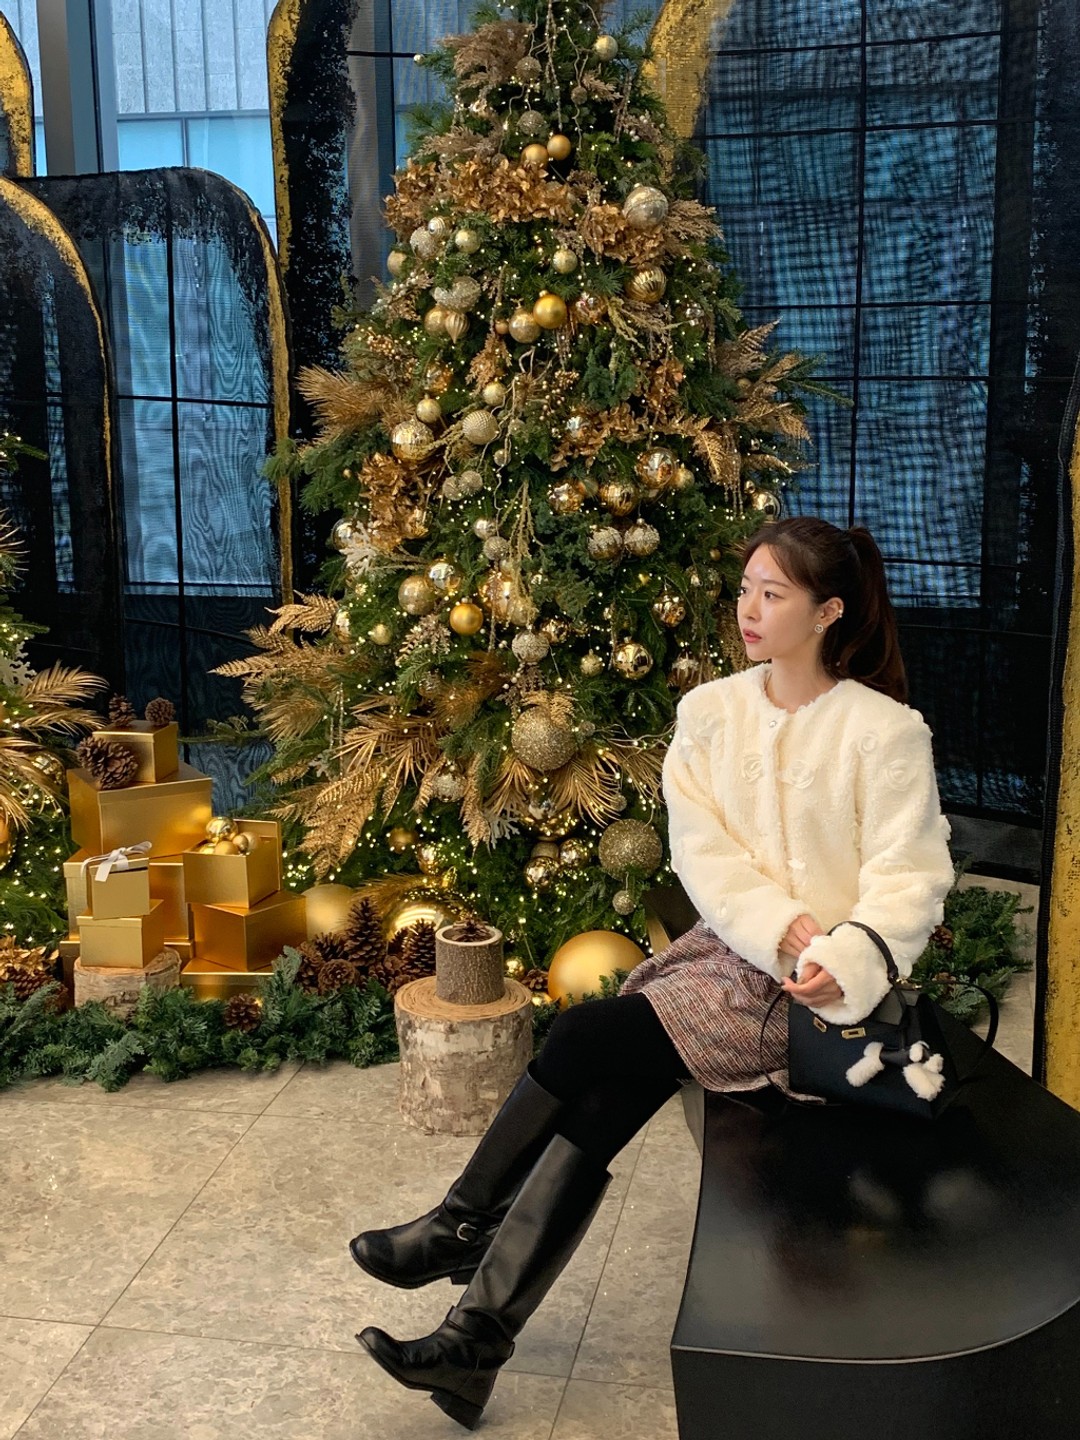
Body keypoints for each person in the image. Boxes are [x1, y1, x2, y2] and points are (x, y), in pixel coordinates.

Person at [351, 515, 956, 1430]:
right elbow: (700, 849)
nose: (749, 610)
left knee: (589, 1036)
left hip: (807, 996)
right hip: (726, 953)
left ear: (828, 612)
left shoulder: (885, 732)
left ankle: (462, 1233)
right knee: (604, 1091)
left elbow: (911, 875)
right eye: (746, 589)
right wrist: (771, 923)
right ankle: (471, 1337)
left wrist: (848, 953)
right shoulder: (710, 712)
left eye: (774, 595)